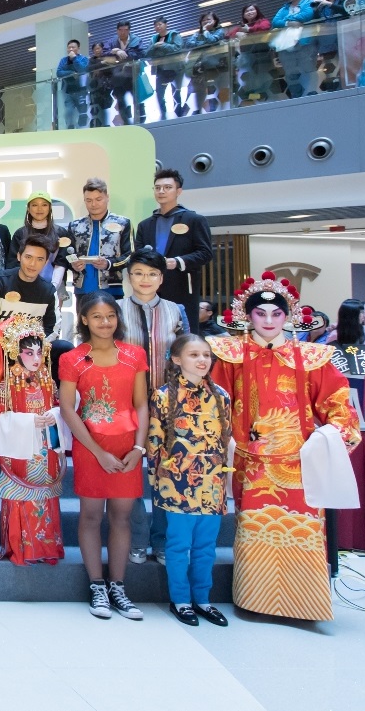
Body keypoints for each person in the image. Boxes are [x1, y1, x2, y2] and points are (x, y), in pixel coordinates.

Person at [208, 272, 361, 621]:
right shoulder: (230, 354)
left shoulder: (312, 356)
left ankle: (303, 601)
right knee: (254, 529)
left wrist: (330, 435)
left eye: (276, 314)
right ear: (248, 316)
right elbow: (217, 402)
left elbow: (338, 403)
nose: (268, 321)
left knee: (301, 529)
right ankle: (254, 598)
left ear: (288, 315)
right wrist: (226, 440)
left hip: (299, 458)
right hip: (250, 459)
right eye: (260, 314)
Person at [58, 293, 149, 620]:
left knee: (122, 517)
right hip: (90, 447)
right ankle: (97, 585)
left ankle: (118, 587)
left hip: (128, 447)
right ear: (84, 319)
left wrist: (139, 449)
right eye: (97, 317)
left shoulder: (134, 355)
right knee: (91, 516)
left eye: (110, 315)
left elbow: (141, 404)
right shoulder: (72, 359)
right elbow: (68, 409)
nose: (105, 322)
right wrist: (97, 452)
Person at [148, 334, 233, 627]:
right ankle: (181, 600)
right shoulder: (163, 395)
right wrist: (157, 479)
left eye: (206, 355)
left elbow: (225, 439)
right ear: (176, 359)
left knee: (206, 546)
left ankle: (203, 599)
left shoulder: (221, 395)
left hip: (211, 482)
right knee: (177, 544)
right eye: (194, 355)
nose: (201, 361)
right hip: (177, 483)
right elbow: (154, 440)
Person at [119, 247, 191, 563]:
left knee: (166, 475)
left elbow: (190, 356)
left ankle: (161, 541)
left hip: (169, 406)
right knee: (131, 477)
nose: (144, 280)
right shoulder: (115, 309)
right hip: (127, 406)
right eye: (138, 273)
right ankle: (137, 538)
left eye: (151, 274)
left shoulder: (177, 311)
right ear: (128, 276)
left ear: (161, 278)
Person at [0, 314, 63, 566]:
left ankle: (45, 548)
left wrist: (52, 416)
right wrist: (29, 421)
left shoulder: (48, 381)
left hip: (44, 447)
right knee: (21, 499)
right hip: (20, 450)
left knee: (44, 500)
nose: (36, 358)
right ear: (16, 353)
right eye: (29, 353)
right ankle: (21, 549)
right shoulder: (6, 385)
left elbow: (58, 406)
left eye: (39, 353)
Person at [136, 168, 212, 334]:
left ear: (179, 191)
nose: (161, 191)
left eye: (167, 187)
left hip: (182, 288)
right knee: (151, 334)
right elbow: (138, 256)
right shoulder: (145, 225)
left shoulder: (194, 220)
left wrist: (177, 262)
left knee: (183, 336)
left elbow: (205, 253)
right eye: (157, 187)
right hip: (150, 290)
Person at [63, 177, 133, 298]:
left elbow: (129, 255)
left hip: (112, 288)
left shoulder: (123, 223)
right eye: (88, 200)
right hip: (82, 289)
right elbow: (67, 254)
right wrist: (73, 264)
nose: (93, 204)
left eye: (98, 199)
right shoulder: (75, 225)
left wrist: (108, 264)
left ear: (107, 197)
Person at [0, 233, 60, 340]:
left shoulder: (49, 290)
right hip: (0, 346)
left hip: (35, 349)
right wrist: (13, 348)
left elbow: (53, 329)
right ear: (19, 256)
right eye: (28, 257)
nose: (33, 264)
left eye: (40, 259)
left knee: (64, 346)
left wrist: (33, 349)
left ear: (46, 262)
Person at [271, 0, 323, 99]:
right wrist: (288, 23)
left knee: (308, 69)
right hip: (286, 46)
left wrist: (287, 20)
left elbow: (306, 15)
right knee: (291, 73)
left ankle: (311, 93)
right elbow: (275, 21)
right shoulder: (284, 8)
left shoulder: (310, 2)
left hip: (305, 43)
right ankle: (296, 95)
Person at [9, 192, 67, 269]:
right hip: (24, 279)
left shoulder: (60, 232)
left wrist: (55, 281)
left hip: (54, 280)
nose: (39, 209)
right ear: (28, 209)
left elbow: (63, 261)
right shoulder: (20, 234)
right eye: (34, 205)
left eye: (44, 205)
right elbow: (12, 263)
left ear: (50, 208)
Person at [187, 12, 231, 113]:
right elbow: (189, 44)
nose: (206, 22)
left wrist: (206, 33)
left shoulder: (220, 31)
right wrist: (203, 42)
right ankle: (201, 110)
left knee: (221, 88)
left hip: (219, 65)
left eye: (208, 19)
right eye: (204, 20)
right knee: (201, 89)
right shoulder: (197, 33)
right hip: (201, 66)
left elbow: (213, 40)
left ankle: (224, 109)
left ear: (214, 21)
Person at [232, 4, 274, 105]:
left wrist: (249, 30)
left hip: (262, 55)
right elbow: (228, 35)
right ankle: (255, 98)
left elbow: (265, 27)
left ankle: (263, 98)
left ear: (257, 11)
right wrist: (237, 33)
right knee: (250, 81)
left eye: (252, 10)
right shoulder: (242, 27)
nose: (249, 12)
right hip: (247, 57)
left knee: (262, 78)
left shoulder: (263, 21)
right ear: (244, 15)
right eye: (247, 11)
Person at [147, 17, 187, 117]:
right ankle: (163, 114)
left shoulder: (174, 35)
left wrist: (163, 45)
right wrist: (154, 46)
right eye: (155, 25)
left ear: (166, 24)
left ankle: (179, 114)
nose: (158, 27)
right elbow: (147, 53)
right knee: (159, 94)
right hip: (160, 70)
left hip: (175, 68)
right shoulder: (153, 39)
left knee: (176, 92)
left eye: (160, 24)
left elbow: (178, 47)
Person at [107, 20, 144, 125]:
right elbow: (104, 53)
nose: (123, 32)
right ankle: (126, 122)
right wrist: (115, 51)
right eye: (120, 30)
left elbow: (141, 53)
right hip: (117, 77)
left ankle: (141, 121)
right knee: (121, 100)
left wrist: (125, 53)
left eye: (125, 30)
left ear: (129, 30)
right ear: (117, 30)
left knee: (137, 98)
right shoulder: (112, 41)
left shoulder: (136, 40)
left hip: (132, 75)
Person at [55, 39, 90, 129]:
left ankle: (83, 130)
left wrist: (74, 58)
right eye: (69, 47)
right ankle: (70, 129)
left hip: (81, 90)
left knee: (82, 112)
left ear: (78, 48)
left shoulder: (84, 59)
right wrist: (71, 73)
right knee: (68, 112)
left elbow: (82, 70)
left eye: (73, 47)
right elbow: (59, 73)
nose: (71, 49)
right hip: (67, 91)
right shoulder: (63, 60)